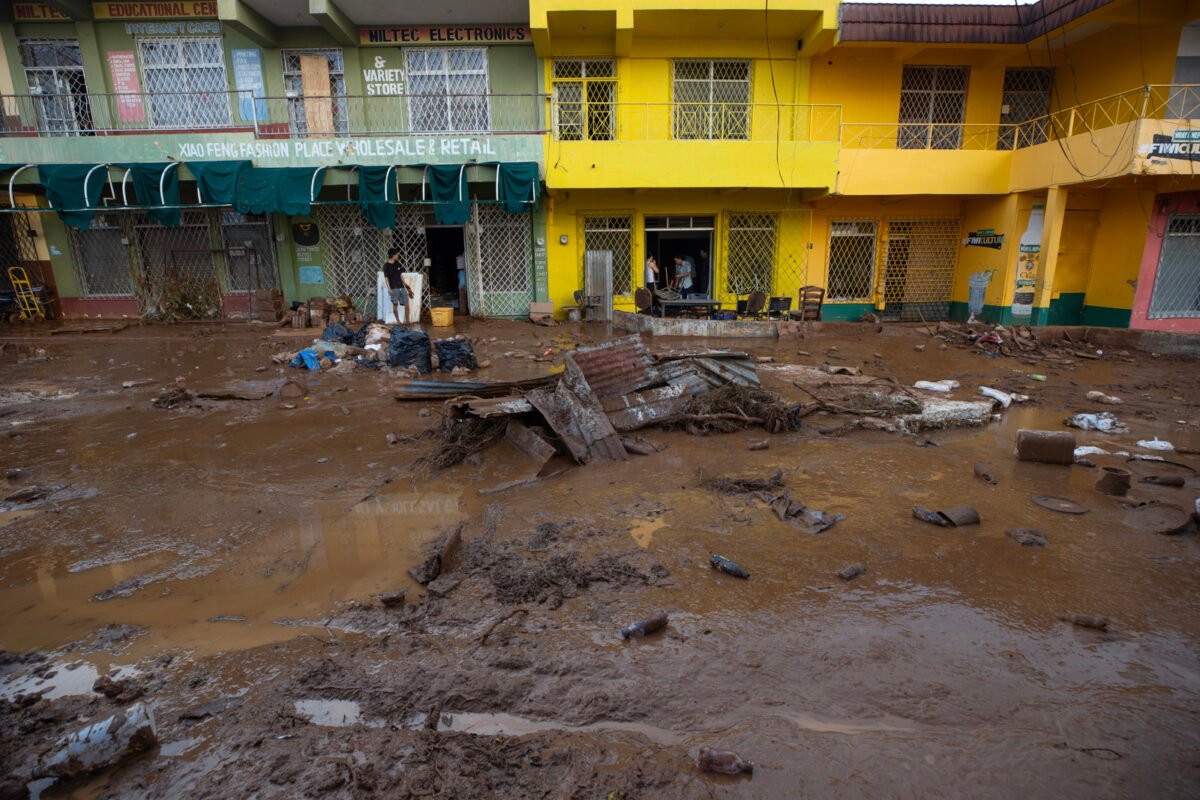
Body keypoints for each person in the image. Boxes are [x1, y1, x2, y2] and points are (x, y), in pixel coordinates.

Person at [384, 247, 415, 324]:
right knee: (395, 305)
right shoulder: (386, 266)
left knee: (407, 304)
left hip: (401, 287)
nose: (398, 256)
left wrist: (405, 284)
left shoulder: (398, 264)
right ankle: (398, 321)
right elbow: (386, 278)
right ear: (393, 255)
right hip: (394, 288)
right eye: (397, 255)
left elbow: (400, 275)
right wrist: (389, 288)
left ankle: (408, 321)